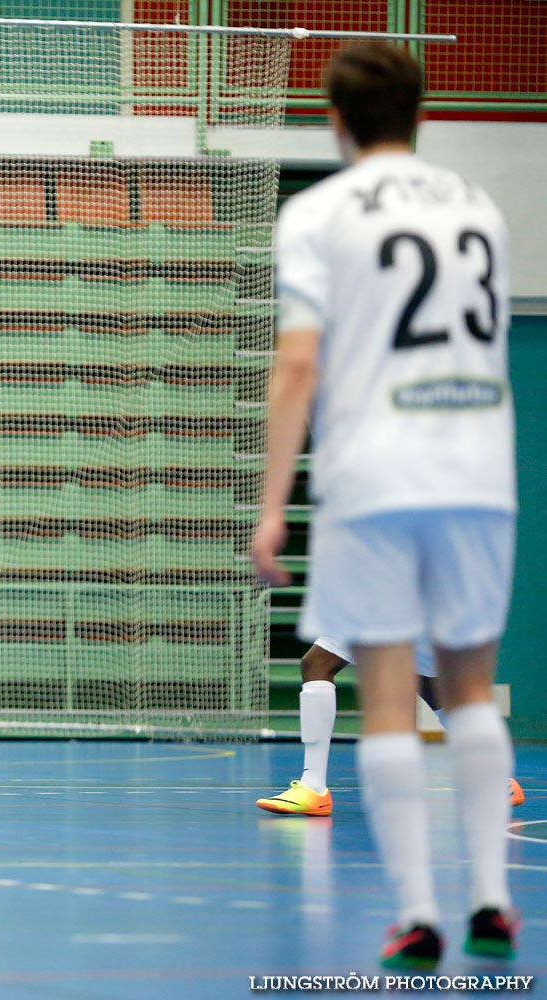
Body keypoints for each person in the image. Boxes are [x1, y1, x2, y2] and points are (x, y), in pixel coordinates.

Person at [249, 42, 517, 969]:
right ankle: (491, 899)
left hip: (378, 471)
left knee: (394, 698)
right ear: (422, 111)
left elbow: (298, 364)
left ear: (335, 119)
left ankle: (419, 916)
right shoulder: (479, 206)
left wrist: (273, 502)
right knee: (474, 697)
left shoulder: (319, 212)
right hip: (483, 468)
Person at [256, 637, 524, 816]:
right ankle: (312, 787)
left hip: (405, 591)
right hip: (375, 588)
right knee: (316, 663)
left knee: (431, 688)